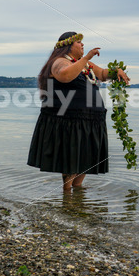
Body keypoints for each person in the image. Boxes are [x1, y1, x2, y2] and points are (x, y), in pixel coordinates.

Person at [27, 31, 129, 193]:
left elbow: (102, 74)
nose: (82, 45)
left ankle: (77, 190)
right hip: (71, 119)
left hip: (91, 118)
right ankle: (67, 193)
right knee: (72, 155)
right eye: (79, 43)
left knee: (86, 155)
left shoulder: (82, 64)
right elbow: (65, 76)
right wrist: (86, 58)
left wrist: (115, 71)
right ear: (68, 45)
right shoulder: (59, 62)